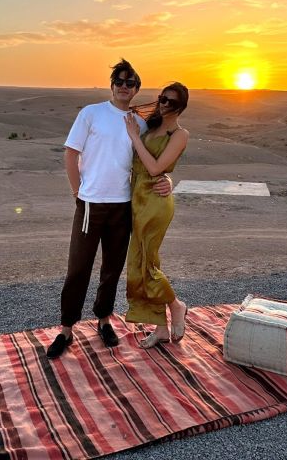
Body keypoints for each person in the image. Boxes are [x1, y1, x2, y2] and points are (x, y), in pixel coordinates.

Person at [46, 59, 172, 359]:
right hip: (89, 205)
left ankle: (104, 320)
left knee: (112, 269)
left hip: (122, 207)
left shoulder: (140, 124)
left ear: (137, 89)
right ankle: (66, 328)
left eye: (130, 82)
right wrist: (78, 192)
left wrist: (168, 179)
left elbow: (152, 161)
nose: (124, 86)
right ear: (112, 83)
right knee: (78, 269)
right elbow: (71, 153)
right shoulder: (91, 113)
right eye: (119, 80)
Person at [123, 82, 190, 349]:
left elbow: (155, 169)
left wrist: (134, 138)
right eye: (162, 98)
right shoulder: (151, 125)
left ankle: (176, 305)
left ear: (181, 107)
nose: (164, 104)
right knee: (140, 262)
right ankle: (161, 329)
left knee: (147, 265)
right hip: (136, 198)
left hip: (156, 202)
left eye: (171, 102)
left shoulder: (180, 134)